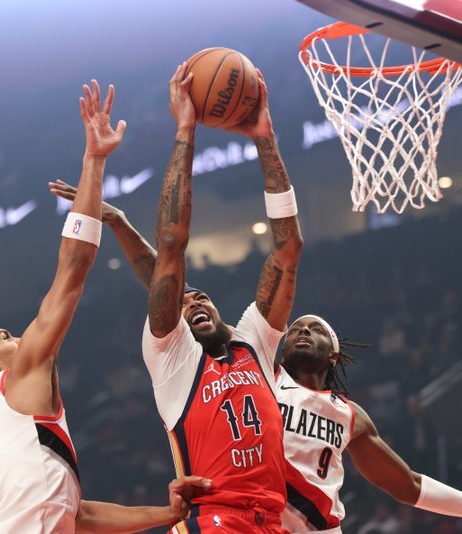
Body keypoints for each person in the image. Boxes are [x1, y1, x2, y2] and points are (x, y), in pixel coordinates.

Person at [0, 80, 210, 533]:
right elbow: (72, 271)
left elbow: (77, 513)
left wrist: (165, 515)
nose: (21, 337)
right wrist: (94, 160)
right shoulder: (16, 377)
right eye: (6, 337)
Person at [142, 63, 302, 533]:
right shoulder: (170, 358)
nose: (193, 304)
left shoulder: (254, 340)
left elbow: (287, 251)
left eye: (202, 298)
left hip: (272, 520)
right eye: (183, 302)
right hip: (212, 520)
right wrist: (185, 130)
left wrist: (264, 138)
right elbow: (171, 246)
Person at [274, 314, 462, 532]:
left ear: (333, 355)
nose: (305, 331)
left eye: (317, 329)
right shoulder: (258, 383)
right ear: (282, 350)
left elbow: (408, 485)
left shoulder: (350, 415)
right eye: (296, 329)